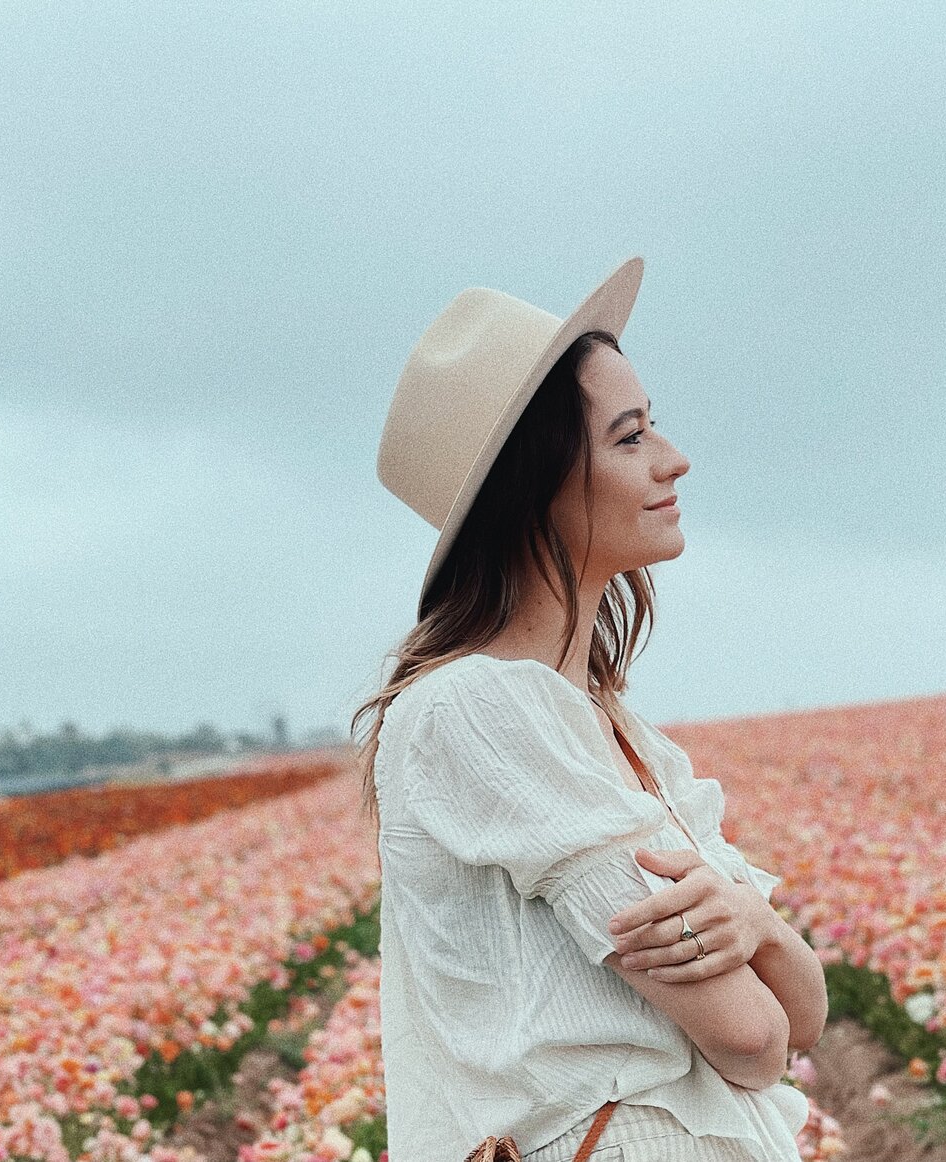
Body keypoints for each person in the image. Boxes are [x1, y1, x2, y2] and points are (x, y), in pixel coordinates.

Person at [351, 256, 828, 1161]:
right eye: (630, 437)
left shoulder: (612, 726)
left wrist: (756, 922)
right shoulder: (478, 709)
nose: (673, 459)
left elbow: (801, 1017)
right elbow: (751, 1035)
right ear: (533, 488)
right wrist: (750, 943)